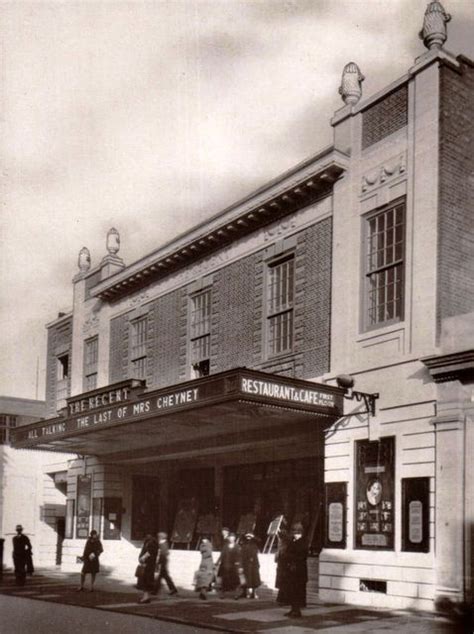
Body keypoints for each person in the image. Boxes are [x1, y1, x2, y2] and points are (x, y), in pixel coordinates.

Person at [281, 522, 308, 618]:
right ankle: (293, 609)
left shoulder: (303, 542)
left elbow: (301, 556)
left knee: (297, 592)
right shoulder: (293, 541)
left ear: (300, 532)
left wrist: (289, 556)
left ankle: (297, 611)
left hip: (298, 572)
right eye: (293, 531)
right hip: (292, 571)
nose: (294, 534)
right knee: (292, 591)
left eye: (296, 532)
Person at [216, 532, 242, 598]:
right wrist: (217, 562)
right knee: (224, 580)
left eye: (232, 537)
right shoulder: (225, 546)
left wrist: (239, 565)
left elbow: (240, 557)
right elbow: (222, 555)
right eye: (230, 537)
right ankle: (223, 594)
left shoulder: (237, 546)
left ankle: (236, 594)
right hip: (225, 565)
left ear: (235, 538)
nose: (231, 539)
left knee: (235, 580)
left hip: (234, 566)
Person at [153, 532, 177, 596]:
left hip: (163, 562)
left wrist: (158, 563)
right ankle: (172, 589)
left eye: (158, 537)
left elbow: (163, 554)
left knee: (162, 576)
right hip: (164, 561)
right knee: (164, 576)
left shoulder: (162, 544)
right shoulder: (164, 543)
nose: (158, 538)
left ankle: (155, 590)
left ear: (161, 537)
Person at [137, 533, 158, 604]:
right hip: (148, 565)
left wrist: (142, 559)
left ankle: (146, 598)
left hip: (148, 565)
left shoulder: (151, 543)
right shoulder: (150, 542)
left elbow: (149, 553)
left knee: (146, 581)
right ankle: (146, 597)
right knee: (146, 581)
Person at [239, 532, 261, 599]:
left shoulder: (254, 544)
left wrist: (253, 536)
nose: (248, 537)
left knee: (254, 579)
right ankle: (244, 592)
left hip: (253, 564)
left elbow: (259, 541)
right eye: (247, 536)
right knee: (244, 579)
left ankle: (253, 593)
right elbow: (240, 541)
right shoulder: (243, 544)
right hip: (245, 564)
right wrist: (244, 535)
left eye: (250, 536)